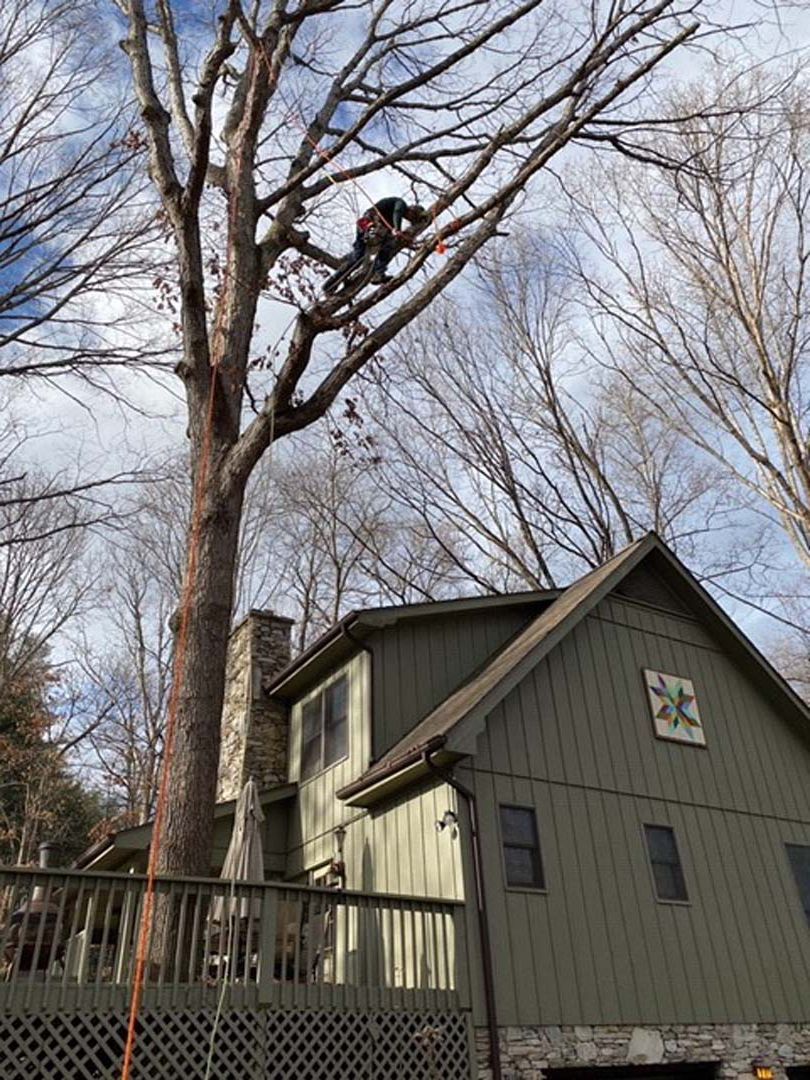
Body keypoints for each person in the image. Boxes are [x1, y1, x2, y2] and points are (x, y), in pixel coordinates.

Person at [324, 198, 426, 291]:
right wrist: (397, 229)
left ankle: (331, 284)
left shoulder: (389, 220)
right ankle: (333, 283)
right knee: (367, 254)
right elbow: (397, 212)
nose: (408, 219)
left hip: (372, 226)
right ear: (412, 211)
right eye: (412, 217)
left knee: (360, 255)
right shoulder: (401, 203)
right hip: (370, 223)